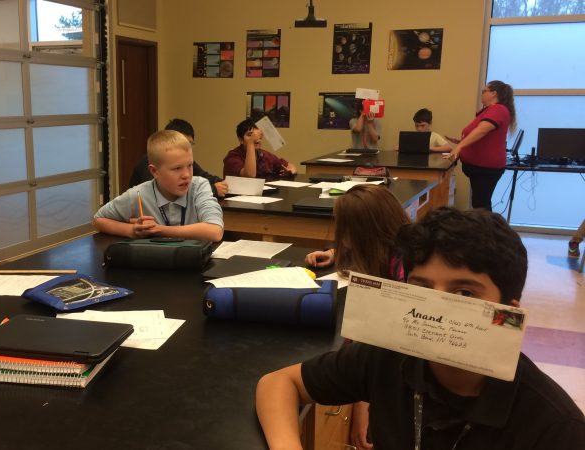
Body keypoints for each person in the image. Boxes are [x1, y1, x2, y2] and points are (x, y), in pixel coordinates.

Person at [256, 207, 585, 450]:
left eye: (464, 293)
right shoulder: (388, 357)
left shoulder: (556, 427)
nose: (435, 308)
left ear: (507, 313)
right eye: (422, 288)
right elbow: (278, 383)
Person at [305, 183, 410, 450]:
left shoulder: (402, 276)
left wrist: (362, 404)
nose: (342, 238)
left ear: (362, 233)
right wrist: (334, 253)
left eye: (345, 231)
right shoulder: (397, 249)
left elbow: (375, 345)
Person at [94, 130, 224, 242]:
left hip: (192, 260)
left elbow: (215, 231)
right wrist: (132, 230)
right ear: (154, 171)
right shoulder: (138, 194)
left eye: (189, 166)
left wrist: (158, 230)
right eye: (177, 168)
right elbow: (98, 220)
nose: (186, 175)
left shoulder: (199, 186)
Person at [446, 80, 516, 211]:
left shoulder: (498, 109)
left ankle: (486, 225)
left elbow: (482, 130)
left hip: (486, 169)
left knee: (481, 205)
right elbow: (485, 137)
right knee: (480, 203)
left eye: (484, 91)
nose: (481, 94)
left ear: (494, 93)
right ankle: (484, 224)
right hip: (481, 168)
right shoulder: (490, 110)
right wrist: (461, 141)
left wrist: (460, 147)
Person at [129, 118, 228, 198]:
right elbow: (165, 191)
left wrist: (221, 182)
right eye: (177, 168)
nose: (186, 174)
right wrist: (213, 189)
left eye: (190, 144)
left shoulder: (184, 161)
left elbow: (204, 176)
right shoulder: (152, 161)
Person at [223, 118, 296, 178]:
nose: (256, 139)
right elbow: (249, 175)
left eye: (258, 135)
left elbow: (289, 165)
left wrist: (291, 171)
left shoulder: (265, 155)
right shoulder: (232, 157)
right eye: (250, 135)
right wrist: (251, 143)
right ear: (240, 140)